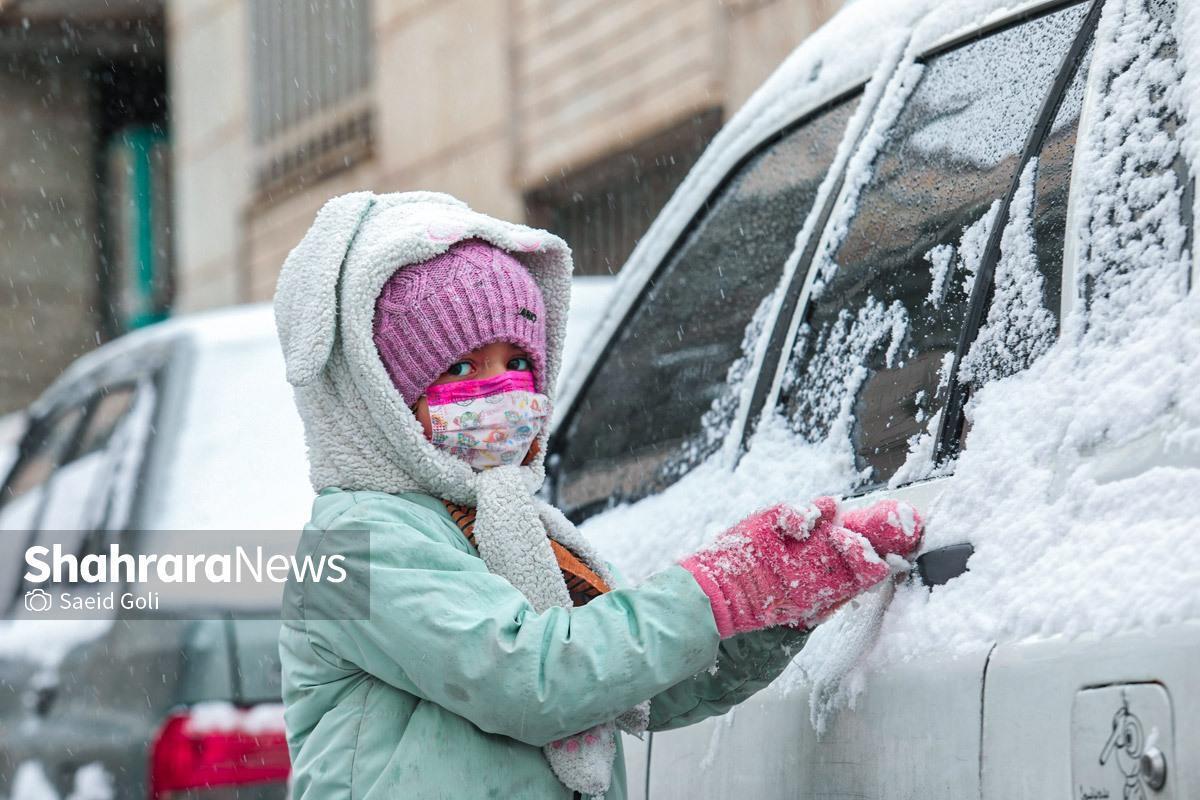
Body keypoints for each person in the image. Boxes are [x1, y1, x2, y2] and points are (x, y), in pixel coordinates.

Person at [273, 190, 923, 799]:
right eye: (461, 368)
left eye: (518, 363)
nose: (501, 391)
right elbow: (532, 678)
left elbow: (641, 681)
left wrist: (776, 603)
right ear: (378, 398)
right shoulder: (354, 542)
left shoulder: (524, 533)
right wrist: (720, 589)